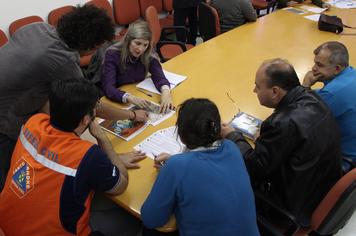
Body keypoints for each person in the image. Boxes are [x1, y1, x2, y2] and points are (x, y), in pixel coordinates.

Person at [0, 5, 147, 191]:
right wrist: (133, 116)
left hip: (9, 100)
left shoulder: (36, 27)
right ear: (89, 46)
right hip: (5, 123)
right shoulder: (62, 60)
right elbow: (92, 105)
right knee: (12, 181)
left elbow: (38, 84)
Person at [0, 78, 145, 235]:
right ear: (86, 119)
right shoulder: (88, 155)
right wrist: (102, 138)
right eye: (94, 108)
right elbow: (121, 184)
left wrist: (105, 162)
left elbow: (54, 158)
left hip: (7, 222)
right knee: (133, 221)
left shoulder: (34, 122)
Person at [221, 59, 342, 227]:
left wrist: (233, 136)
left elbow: (253, 168)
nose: (254, 90)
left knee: (224, 180)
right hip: (321, 189)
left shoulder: (280, 123)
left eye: (258, 86)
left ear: (275, 92)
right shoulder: (313, 97)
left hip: (293, 208)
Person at [141, 98, 260, 236]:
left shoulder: (176, 167)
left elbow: (151, 219)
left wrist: (171, 169)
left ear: (180, 133)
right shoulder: (232, 147)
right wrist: (176, 163)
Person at [302, 41, 356, 168]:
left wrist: (305, 86)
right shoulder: (351, 74)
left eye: (319, 65)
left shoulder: (332, 93)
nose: (314, 68)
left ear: (337, 68)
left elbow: (300, 117)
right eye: (315, 62)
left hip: (342, 162)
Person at [101, 20, 173, 113]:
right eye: (137, 43)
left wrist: (166, 91)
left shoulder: (148, 54)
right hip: (117, 99)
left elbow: (159, 77)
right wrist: (129, 97)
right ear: (128, 40)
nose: (141, 49)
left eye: (145, 45)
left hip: (137, 92)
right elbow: (108, 87)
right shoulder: (113, 54)